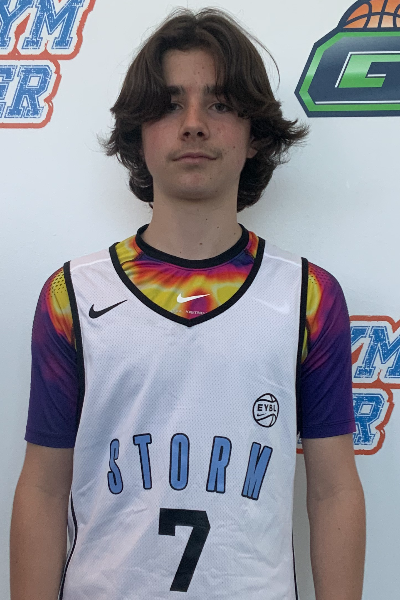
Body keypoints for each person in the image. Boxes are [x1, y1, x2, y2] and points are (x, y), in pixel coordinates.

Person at [10, 7, 366, 600]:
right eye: (170, 104)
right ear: (138, 132)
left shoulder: (310, 297)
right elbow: (44, 489)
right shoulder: (71, 296)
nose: (194, 124)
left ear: (255, 134)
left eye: (220, 104)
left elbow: (333, 490)